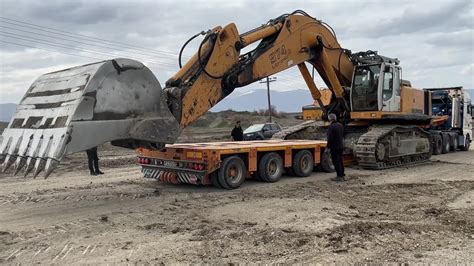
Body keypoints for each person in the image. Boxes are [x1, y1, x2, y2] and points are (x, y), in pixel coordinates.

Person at [326, 113, 345, 181]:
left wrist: (328, 147)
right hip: (340, 146)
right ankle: (342, 174)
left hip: (334, 147)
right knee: (340, 160)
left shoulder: (331, 127)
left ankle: (339, 176)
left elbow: (330, 138)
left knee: (336, 162)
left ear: (330, 119)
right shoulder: (340, 125)